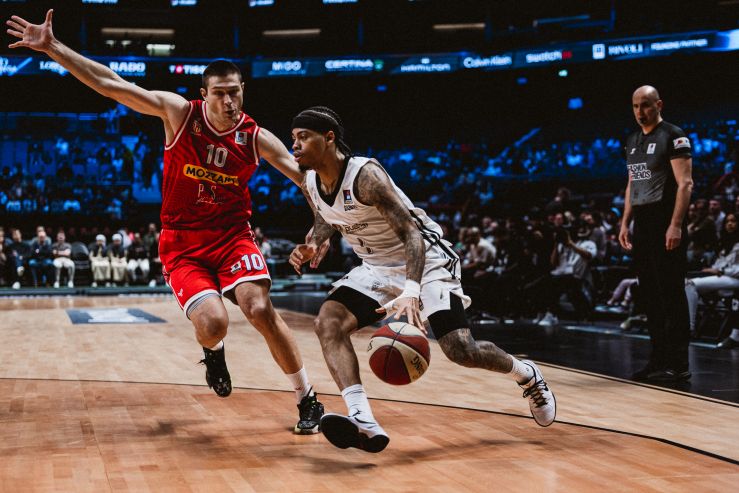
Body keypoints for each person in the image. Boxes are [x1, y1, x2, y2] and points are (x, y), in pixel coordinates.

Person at [7, 9, 323, 433]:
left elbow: (308, 179)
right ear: (204, 95)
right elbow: (112, 84)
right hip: (182, 244)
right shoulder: (180, 114)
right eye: (219, 94)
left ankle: (307, 398)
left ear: (243, 90)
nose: (229, 102)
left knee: (259, 307)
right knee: (213, 324)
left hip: (232, 237)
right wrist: (53, 48)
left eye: (234, 92)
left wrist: (322, 226)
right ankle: (213, 352)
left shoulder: (255, 137)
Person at [288, 107, 555, 453]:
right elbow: (327, 218)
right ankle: (362, 419)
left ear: (329, 138)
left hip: (425, 260)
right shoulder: (310, 181)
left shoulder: (366, 176)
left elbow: (411, 234)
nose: (294, 145)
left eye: (303, 137)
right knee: (329, 323)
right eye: (293, 138)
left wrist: (412, 289)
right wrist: (314, 243)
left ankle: (526, 374)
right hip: (377, 266)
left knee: (460, 349)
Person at [618, 86, 693, 382]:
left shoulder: (673, 135)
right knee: (650, 295)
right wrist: (625, 222)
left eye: (646, 105)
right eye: (636, 106)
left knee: (671, 292)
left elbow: (685, 184)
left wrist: (676, 224)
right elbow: (633, 183)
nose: (640, 111)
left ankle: (679, 363)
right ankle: (658, 359)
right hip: (643, 224)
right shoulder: (632, 140)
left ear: (659, 104)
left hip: (665, 220)